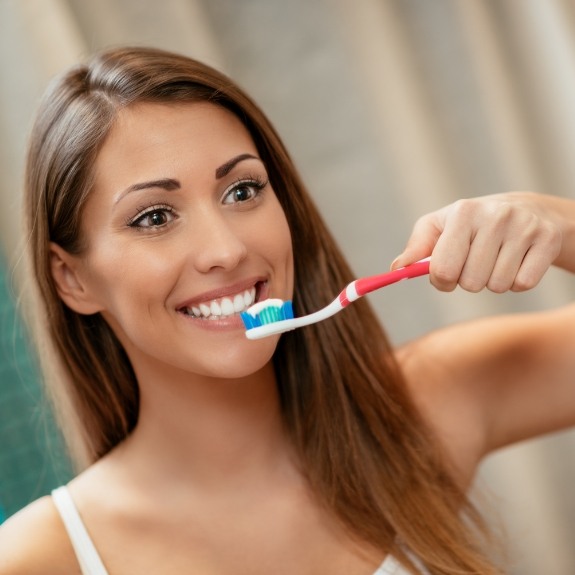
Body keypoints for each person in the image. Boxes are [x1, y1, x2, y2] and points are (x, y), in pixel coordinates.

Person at [0, 46, 573, 575]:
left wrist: (558, 221)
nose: (226, 250)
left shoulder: (428, 404)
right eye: (154, 217)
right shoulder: (42, 557)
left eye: (242, 191)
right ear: (72, 278)